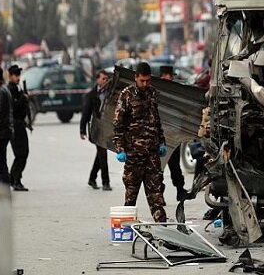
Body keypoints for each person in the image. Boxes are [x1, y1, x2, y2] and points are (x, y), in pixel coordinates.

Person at [113, 62, 167, 222]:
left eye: (148, 80)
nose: (145, 84)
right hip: (133, 155)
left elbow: (157, 121)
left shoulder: (152, 93)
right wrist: (120, 148)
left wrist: (162, 142)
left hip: (152, 155)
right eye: (142, 80)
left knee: (156, 194)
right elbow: (118, 125)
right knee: (131, 194)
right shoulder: (126, 95)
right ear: (136, 77)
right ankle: (127, 227)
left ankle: (162, 228)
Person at [159, 65, 187, 201]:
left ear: (172, 76)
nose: (165, 78)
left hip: (174, 134)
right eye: (163, 75)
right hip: (159, 136)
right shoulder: (156, 91)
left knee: (175, 166)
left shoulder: (177, 92)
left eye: (167, 75)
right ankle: (159, 195)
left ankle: (180, 190)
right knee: (158, 167)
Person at [80, 70, 112, 191]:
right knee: (102, 153)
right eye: (103, 79)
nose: (105, 81)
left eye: (106, 79)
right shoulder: (91, 95)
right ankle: (106, 182)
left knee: (100, 154)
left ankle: (92, 178)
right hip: (96, 129)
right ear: (97, 80)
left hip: (106, 128)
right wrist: (82, 130)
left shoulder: (110, 93)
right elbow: (86, 113)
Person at [7, 65, 32, 191]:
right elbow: (14, 107)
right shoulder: (9, 90)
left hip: (20, 124)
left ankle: (14, 178)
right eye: (16, 75)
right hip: (15, 125)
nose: (18, 78)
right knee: (21, 153)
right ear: (10, 76)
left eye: (18, 75)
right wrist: (23, 99)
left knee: (23, 152)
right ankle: (15, 179)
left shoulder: (17, 88)